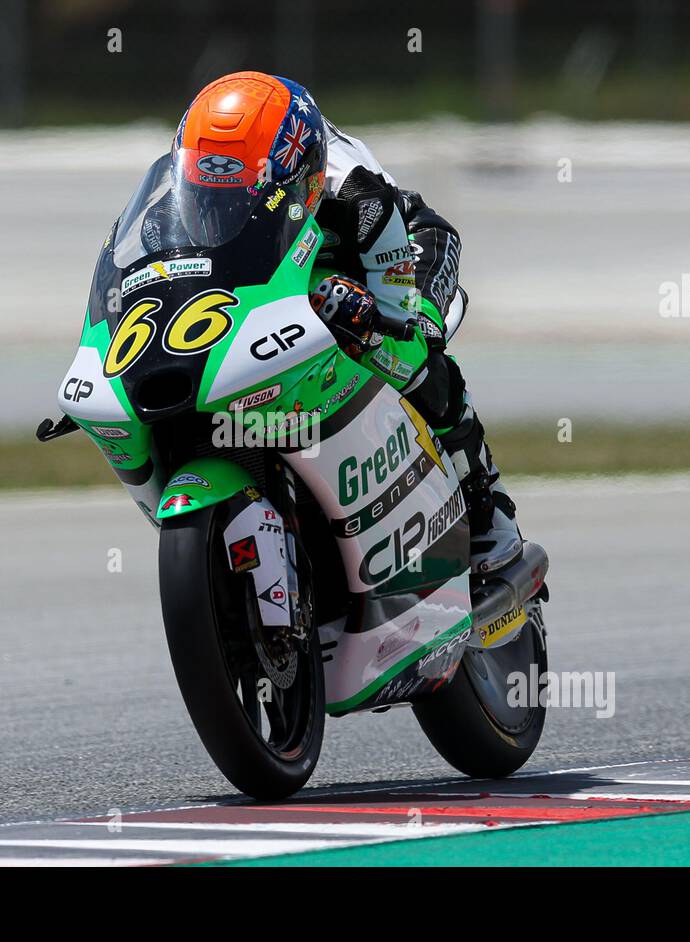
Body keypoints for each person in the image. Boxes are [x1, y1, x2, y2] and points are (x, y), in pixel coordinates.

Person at [174, 71, 521, 574]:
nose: (223, 210)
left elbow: (395, 310)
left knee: (406, 349)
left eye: (240, 197)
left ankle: (487, 502)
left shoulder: (358, 195)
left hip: (399, 251)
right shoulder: (200, 180)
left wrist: (365, 310)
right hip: (304, 264)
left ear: (300, 173)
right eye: (211, 196)